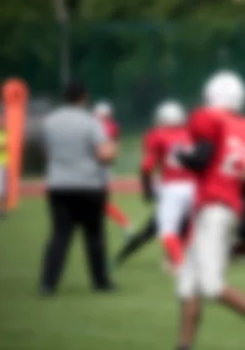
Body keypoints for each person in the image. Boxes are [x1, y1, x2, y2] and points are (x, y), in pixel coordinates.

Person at [174, 71, 245, 350]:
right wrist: (238, 191)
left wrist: (178, 155)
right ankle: (183, 349)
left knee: (211, 286)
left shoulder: (208, 118)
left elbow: (201, 159)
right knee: (188, 285)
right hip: (225, 207)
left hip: (213, 208)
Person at [40, 81, 117, 295]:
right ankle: (100, 281)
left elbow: (47, 154)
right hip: (89, 184)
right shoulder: (91, 122)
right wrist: (112, 154)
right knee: (94, 235)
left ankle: (48, 283)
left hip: (59, 184)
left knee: (59, 235)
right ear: (84, 97)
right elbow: (104, 154)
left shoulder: (50, 121)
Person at [140, 101, 196, 270]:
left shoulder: (157, 134)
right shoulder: (192, 134)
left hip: (172, 187)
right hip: (195, 186)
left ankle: (182, 265)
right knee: (191, 225)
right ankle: (183, 259)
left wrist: (147, 189)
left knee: (167, 231)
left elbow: (147, 166)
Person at [93, 101, 133, 233]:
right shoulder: (107, 126)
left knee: (97, 200)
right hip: (97, 166)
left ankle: (125, 223)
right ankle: (124, 223)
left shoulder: (107, 126)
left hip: (99, 167)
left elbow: (112, 147)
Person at [0, 111, 8, 218]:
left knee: (4, 188)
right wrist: (4, 146)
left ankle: (2, 209)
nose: (1, 122)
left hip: (5, 164)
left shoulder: (5, 133)